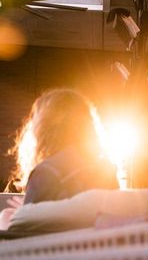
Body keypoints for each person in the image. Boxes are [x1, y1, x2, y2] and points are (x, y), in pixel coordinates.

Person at [0, 88, 119, 229]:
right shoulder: (107, 170)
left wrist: (22, 215)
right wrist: (28, 212)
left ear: (42, 127)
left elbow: (31, 232)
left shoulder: (45, 172)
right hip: (98, 241)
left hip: (57, 242)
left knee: (5, 216)